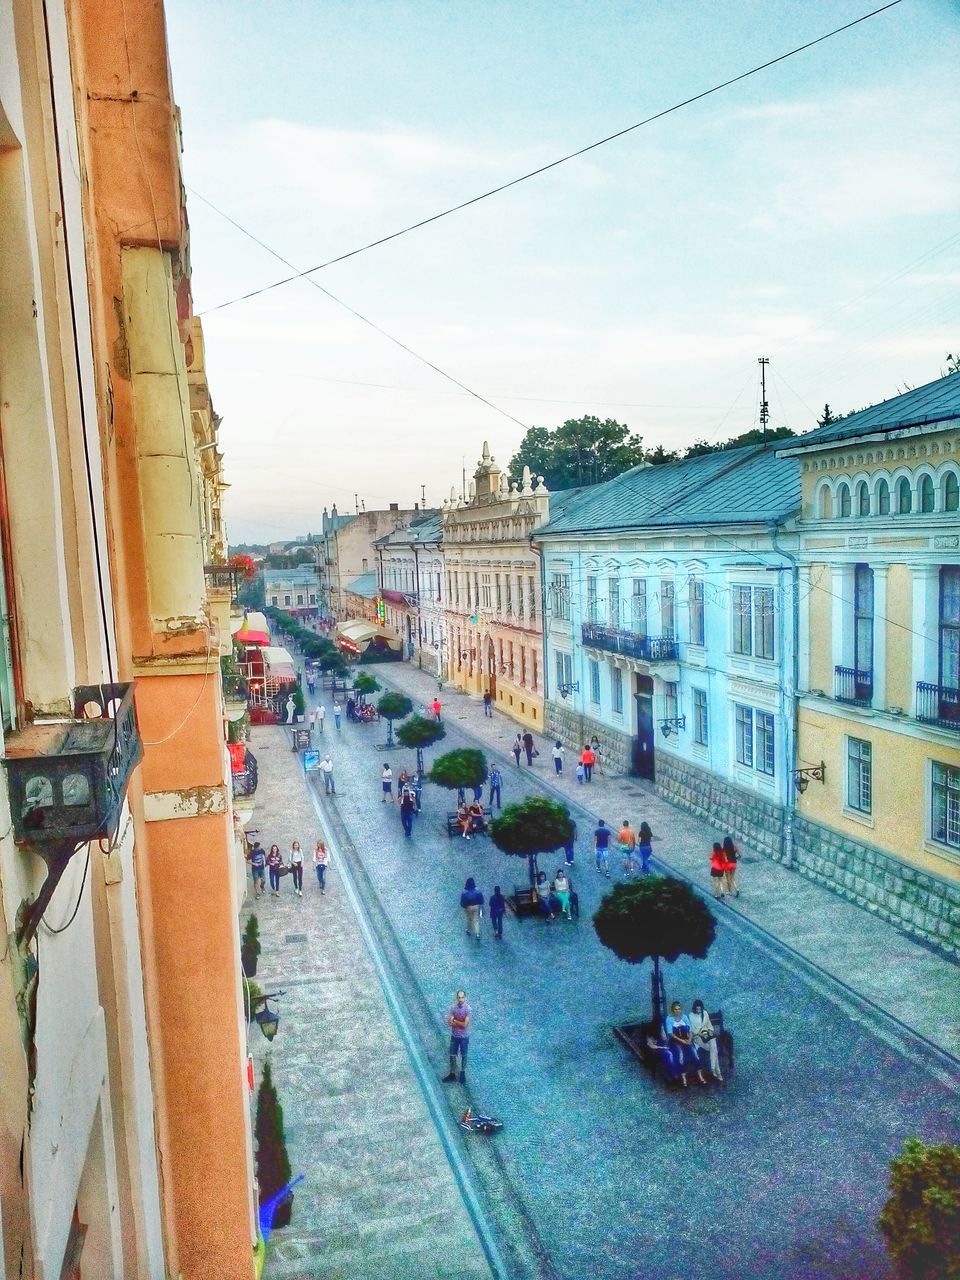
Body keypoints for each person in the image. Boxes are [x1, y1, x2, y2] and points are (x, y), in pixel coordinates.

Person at [664, 1001, 707, 1086]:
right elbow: (670, 1034)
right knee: (680, 1056)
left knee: (695, 1054)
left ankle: (700, 1077)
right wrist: (682, 1041)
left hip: (686, 1040)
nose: (677, 1011)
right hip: (675, 1041)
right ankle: (684, 1079)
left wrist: (689, 1039)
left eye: (679, 1009)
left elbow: (690, 1030)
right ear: (673, 1010)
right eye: (675, 1009)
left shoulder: (684, 1017)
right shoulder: (669, 1019)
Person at [442, 990, 471, 1083]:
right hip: (455, 1036)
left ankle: (462, 1073)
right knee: (452, 1055)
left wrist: (455, 1021)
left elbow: (464, 1025)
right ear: (456, 998)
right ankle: (452, 1073)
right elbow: (449, 1022)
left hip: (464, 1037)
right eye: (459, 997)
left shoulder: (468, 1009)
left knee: (464, 1055)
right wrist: (456, 1022)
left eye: (462, 997)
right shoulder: (453, 1008)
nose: (460, 999)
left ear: (465, 998)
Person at [690, 999, 723, 1081]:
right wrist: (700, 1033)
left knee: (713, 1044)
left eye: (700, 1009)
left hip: (707, 1034)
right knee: (714, 1049)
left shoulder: (705, 1013)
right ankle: (717, 1072)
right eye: (697, 1009)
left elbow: (709, 1025)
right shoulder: (691, 1015)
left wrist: (711, 1031)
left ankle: (713, 1069)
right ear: (694, 1008)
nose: (699, 1010)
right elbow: (692, 1029)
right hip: (697, 1037)